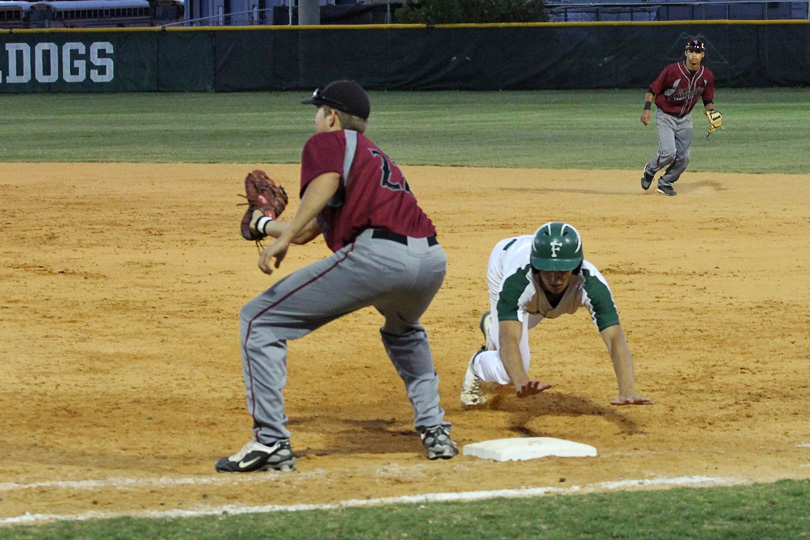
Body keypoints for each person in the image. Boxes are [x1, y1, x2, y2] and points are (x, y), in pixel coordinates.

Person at [216, 80, 458, 473]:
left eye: (316, 112)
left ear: (332, 116)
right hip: (429, 260)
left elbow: (322, 189)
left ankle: (270, 441)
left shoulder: (327, 143)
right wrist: (265, 226)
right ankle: (435, 431)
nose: (313, 120)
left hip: (379, 258)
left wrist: (284, 239)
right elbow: (312, 228)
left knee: (259, 321)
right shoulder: (373, 156)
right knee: (404, 331)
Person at [460, 222, 653, 408]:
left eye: (562, 270)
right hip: (503, 261)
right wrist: (521, 381)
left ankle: (495, 326)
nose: (555, 279)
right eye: (548, 270)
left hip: (534, 286)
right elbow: (510, 338)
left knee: (527, 319)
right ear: (537, 266)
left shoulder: (591, 284)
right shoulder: (517, 282)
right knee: (508, 370)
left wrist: (627, 389)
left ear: (576, 266)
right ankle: (476, 365)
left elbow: (614, 338)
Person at [640, 38, 717, 196]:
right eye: (691, 51)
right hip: (665, 116)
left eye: (698, 52)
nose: (694, 55)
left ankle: (665, 182)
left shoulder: (706, 75)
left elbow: (708, 99)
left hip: (685, 119)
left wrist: (713, 113)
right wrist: (646, 110)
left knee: (683, 158)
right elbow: (652, 90)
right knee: (668, 152)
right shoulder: (672, 71)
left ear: (703, 55)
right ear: (686, 53)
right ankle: (650, 169)